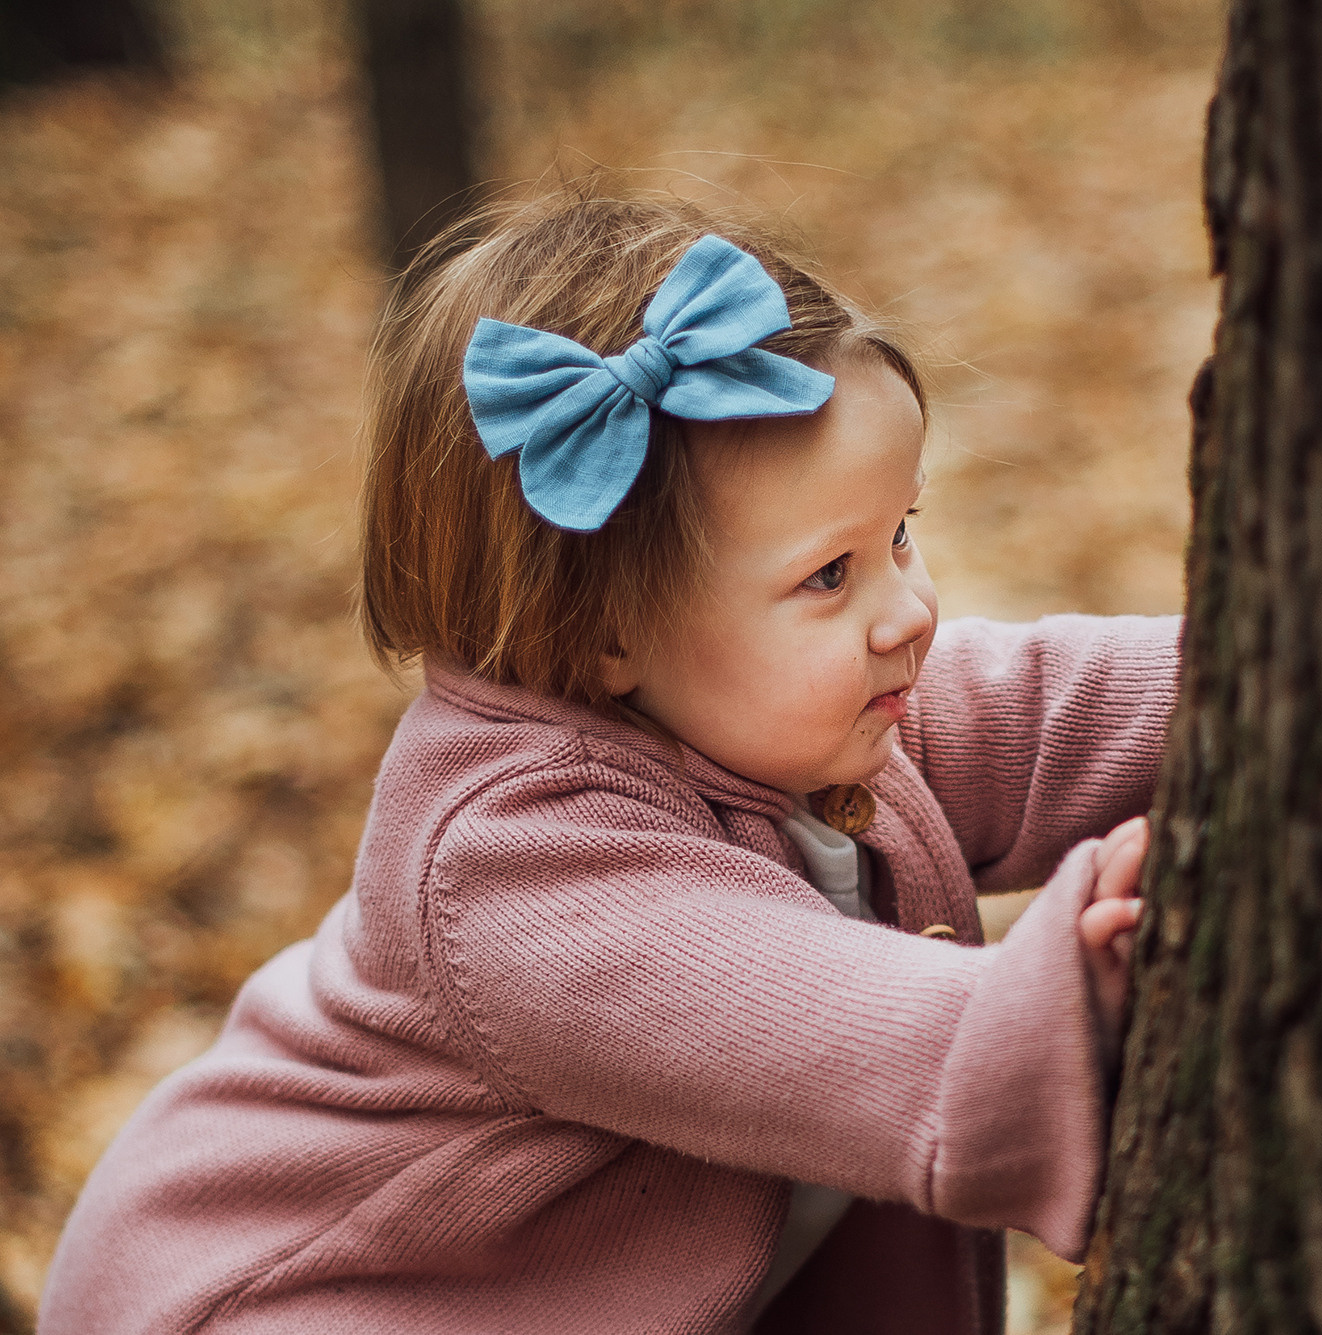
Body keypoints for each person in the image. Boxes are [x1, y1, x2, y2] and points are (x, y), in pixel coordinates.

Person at [37, 186, 1180, 1334]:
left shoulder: (800, 717)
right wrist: (1078, 993)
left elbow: (1048, 709)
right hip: (287, 1298)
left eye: (899, 535)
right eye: (828, 575)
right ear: (603, 630)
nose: (909, 612)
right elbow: (828, 1028)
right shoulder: (516, 861)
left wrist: (1252, 665)